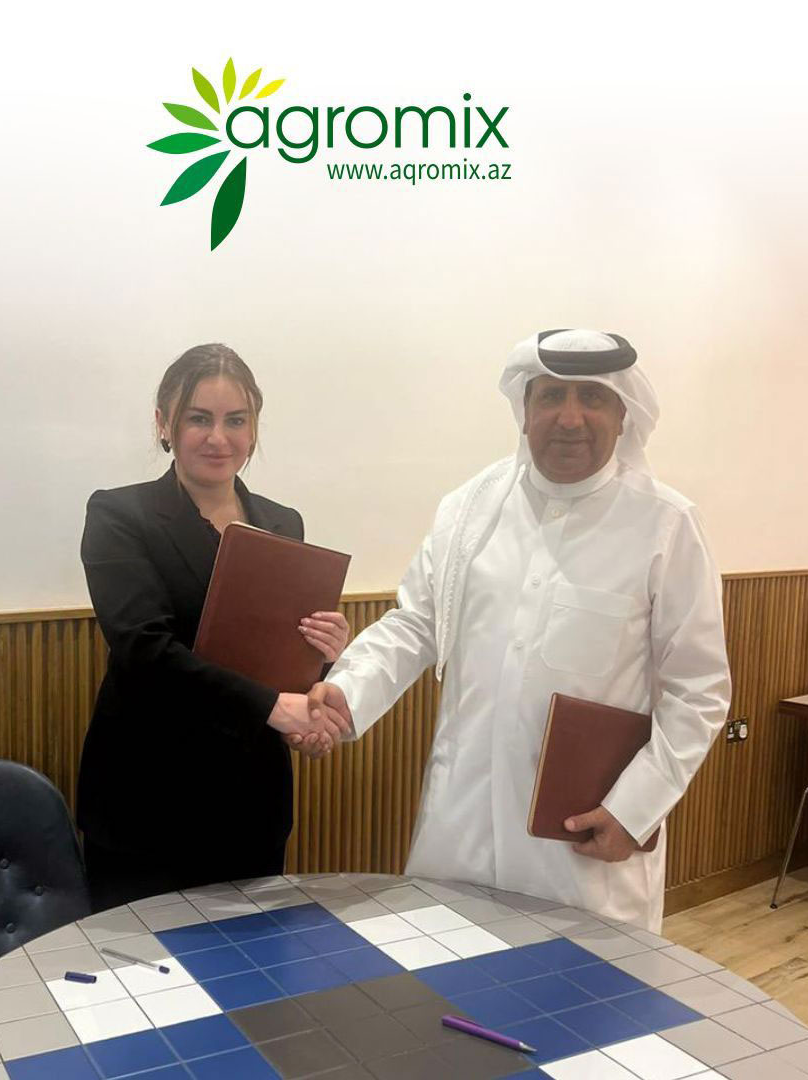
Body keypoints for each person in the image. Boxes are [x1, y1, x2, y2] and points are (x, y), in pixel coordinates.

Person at [305, 329, 732, 931]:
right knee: (443, 978)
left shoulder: (666, 525)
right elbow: (417, 623)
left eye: (592, 397)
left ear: (623, 414)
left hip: (583, 844)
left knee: (582, 988)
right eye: (551, 396)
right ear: (525, 410)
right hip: (460, 830)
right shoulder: (468, 510)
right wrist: (346, 693)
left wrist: (636, 808)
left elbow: (699, 689)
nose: (570, 417)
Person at [77, 343, 350, 912]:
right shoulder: (118, 515)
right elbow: (144, 650)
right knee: (140, 969)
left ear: (254, 428)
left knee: (252, 964)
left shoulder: (282, 522)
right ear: (164, 423)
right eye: (198, 418)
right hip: (146, 802)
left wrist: (323, 659)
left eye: (236, 421)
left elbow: (278, 658)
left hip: (252, 802)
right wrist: (273, 707)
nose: (218, 438)